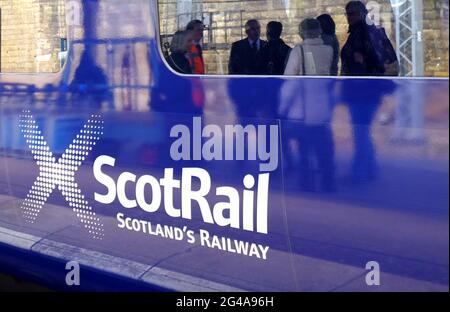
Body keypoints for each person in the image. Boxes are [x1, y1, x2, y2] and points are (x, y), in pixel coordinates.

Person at [281, 19, 336, 192]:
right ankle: (328, 183)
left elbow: (290, 81)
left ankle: (307, 182)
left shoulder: (299, 51)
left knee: (304, 149)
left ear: (302, 32)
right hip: (322, 108)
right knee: (323, 149)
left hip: (302, 110)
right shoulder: (328, 50)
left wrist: (282, 107)